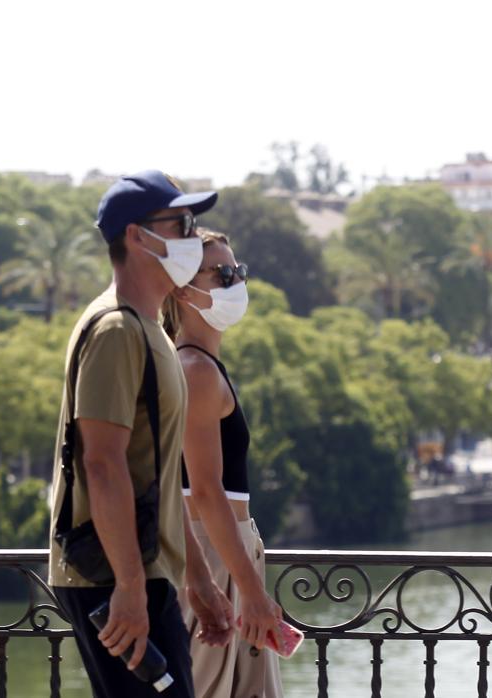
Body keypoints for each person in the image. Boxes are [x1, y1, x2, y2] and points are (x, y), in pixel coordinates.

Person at [48, 170, 235, 698]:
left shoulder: (149, 327)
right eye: (180, 223)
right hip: (112, 579)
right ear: (136, 235)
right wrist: (129, 586)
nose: (190, 236)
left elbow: (154, 474)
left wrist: (195, 576)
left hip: (141, 574)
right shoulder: (116, 330)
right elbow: (101, 463)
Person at [163, 229, 286, 697]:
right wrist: (251, 591)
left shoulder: (200, 366)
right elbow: (206, 491)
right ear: (181, 288)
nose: (236, 283)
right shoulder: (194, 371)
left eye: (239, 272)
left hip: (224, 553)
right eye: (222, 273)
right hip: (213, 556)